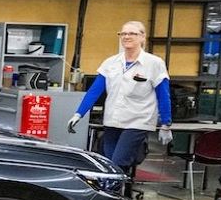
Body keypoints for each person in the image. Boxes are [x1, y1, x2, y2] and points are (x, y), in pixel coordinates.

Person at [67, 20, 172, 176]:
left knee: (118, 163)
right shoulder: (111, 62)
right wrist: (78, 114)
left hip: (138, 121)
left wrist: (166, 124)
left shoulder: (154, 63)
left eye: (132, 33)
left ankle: (116, 197)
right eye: (123, 33)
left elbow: (163, 95)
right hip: (113, 120)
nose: (126, 37)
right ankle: (114, 196)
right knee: (108, 164)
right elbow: (94, 91)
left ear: (143, 37)